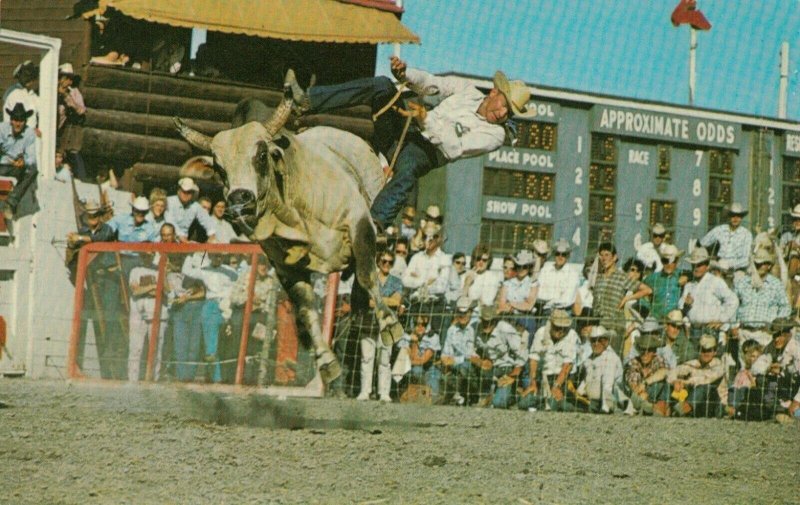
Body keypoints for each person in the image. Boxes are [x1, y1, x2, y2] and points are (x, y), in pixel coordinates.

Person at [287, 57, 530, 229]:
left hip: (426, 152)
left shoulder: (495, 136)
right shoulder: (466, 89)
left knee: (410, 166)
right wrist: (406, 75)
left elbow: (454, 147)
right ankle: (308, 101)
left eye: (509, 113)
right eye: (504, 106)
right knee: (382, 85)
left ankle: (376, 225)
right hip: (408, 128)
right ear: (495, 93)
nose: (502, 114)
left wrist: (425, 120)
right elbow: (433, 83)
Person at [67, 200, 126, 379]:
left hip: (108, 279)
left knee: (109, 317)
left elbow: (99, 240)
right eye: (90, 215)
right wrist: (72, 242)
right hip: (91, 281)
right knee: (87, 317)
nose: (93, 218)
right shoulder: (82, 231)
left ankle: (113, 361)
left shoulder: (106, 229)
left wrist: (80, 240)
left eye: (95, 215)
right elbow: (72, 249)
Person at [225, 255, 282, 385]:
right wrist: (248, 296)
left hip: (259, 315)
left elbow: (270, 304)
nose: (264, 267)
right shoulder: (245, 276)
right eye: (261, 263)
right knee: (236, 346)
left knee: (257, 347)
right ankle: (233, 377)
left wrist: (260, 303)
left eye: (267, 264)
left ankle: (252, 379)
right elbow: (234, 297)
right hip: (242, 312)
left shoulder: (270, 281)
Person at [356, 251, 404, 402]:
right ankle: (365, 391)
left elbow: (396, 301)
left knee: (385, 358)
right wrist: (386, 300)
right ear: (378, 262)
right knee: (367, 357)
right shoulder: (369, 278)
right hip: (369, 321)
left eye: (390, 262)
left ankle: (384, 392)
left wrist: (378, 300)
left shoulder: (396, 281)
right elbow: (367, 302)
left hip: (387, 323)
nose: (387, 264)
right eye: (384, 261)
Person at [183, 253, 238, 383]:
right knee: (211, 346)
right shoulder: (204, 270)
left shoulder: (230, 271)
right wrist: (192, 251)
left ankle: (228, 377)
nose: (217, 258)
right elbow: (186, 270)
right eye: (214, 256)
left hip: (226, 306)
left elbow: (238, 284)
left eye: (219, 256)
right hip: (211, 305)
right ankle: (216, 379)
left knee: (228, 342)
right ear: (210, 257)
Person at [592, 242, 652, 353]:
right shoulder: (599, 277)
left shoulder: (622, 277)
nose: (604, 258)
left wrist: (626, 299)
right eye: (601, 255)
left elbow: (647, 290)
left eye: (607, 255)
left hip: (614, 327)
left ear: (615, 257)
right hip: (599, 324)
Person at [518, 310, 580, 412]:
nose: (560, 331)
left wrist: (557, 386)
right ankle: (543, 400)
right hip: (543, 377)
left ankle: (567, 404)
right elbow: (534, 359)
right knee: (523, 403)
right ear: (551, 324)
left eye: (564, 328)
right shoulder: (541, 332)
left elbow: (567, 365)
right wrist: (533, 382)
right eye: (557, 327)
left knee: (554, 406)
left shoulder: (572, 335)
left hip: (563, 378)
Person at [469, 305, 525, 409]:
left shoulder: (505, 328)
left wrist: (513, 374)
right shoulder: (475, 328)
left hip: (506, 368)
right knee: (467, 367)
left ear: (495, 320)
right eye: (484, 321)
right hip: (487, 369)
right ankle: (482, 395)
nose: (487, 325)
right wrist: (479, 361)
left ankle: (514, 393)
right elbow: (470, 351)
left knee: (499, 403)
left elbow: (522, 351)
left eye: (490, 321)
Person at [734, 248, 791, 348]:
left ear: (769, 266)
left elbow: (785, 307)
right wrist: (733, 326)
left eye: (762, 263)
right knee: (744, 362)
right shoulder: (742, 282)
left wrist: (776, 323)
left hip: (765, 334)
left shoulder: (776, 284)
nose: (759, 266)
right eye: (756, 264)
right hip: (743, 332)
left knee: (762, 362)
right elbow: (733, 304)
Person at [679, 247, 739, 342]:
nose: (696, 268)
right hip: (693, 330)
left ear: (707, 266)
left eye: (699, 265)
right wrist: (686, 304)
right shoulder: (689, 285)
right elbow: (681, 307)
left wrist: (722, 319)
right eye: (693, 265)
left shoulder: (715, 282)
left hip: (711, 331)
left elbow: (733, 300)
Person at [127, 251, 168, 382]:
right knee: (135, 348)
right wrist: (154, 286)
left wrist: (152, 289)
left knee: (156, 348)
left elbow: (164, 290)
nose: (146, 257)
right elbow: (136, 290)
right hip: (137, 313)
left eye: (149, 255)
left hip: (157, 313)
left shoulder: (160, 270)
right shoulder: (135, 270)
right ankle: (132, 380)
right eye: (143, 255)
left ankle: (154, 379)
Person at [751, 318, 800, 422]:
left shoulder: (797, 350)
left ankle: (787, 414)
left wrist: (797, 401)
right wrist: (769, 367)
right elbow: (755, 368)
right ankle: (777, 411)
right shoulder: (771, 347)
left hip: (797, 391)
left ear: (788, 334)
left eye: (780, 335)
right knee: (761, 379)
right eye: (775, 335)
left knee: (796, 413)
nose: (777, 339)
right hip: (781, 391)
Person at [668, 334, 725, 417]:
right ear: (699, 350)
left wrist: (685, 382)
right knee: (671, 385)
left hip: (715, 405)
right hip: (696, 403)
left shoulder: (719, 366)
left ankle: (679, 412)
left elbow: (706, 379)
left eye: (709, 350)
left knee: (704, 388)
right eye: (703, 350)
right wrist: (674, 381)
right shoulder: (693, 363)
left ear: (715, 352)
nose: (705, 353)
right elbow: (673, 371)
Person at [0, 103, 38, 219]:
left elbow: (32, 158)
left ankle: (11, 202)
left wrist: (24, 162)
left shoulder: (29, 133)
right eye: (15, 120)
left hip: (14, 167)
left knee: (32, 170)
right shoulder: (1, 129)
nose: (18, 123)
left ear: (25, 122)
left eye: (21, 120)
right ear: (11, 120)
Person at [576, 326, 624, 414]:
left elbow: (608, 385)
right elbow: (586, 379)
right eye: (593, 340)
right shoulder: (590, 358)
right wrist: (578, 394)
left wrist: (605, 408)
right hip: (590, 401)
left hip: (608, 402)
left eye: (599, 340)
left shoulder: (610, 357)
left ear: (606, 341)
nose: (596, 343)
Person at [439, 297, 476, 405]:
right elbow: (445, 356)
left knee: (464, 367)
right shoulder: (452, 330)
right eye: (459, 312)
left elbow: (472, 357)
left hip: (471, 367)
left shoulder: (474, 328)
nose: (462, 316)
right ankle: (458, 396)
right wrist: (457, 360)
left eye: (465, 313)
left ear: (471, 312)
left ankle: (472, 395)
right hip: (455, 367)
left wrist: (455, 360)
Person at [624, 333, 671, 416]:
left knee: (664, 384)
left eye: (648, 351)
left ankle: (655, 408)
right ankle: (650, 408)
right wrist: (641, 391)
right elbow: (634, 387)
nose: (645, 354)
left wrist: (645, 383)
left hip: (654, 396)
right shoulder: (633, 362)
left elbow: (665, 372)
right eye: (642, 350)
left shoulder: (658, 360)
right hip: (638, 397)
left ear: (654, 352)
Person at [397, 314, 442, 401]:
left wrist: (411, 357)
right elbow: (405, 359)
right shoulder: (405, 337)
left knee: (433, 395)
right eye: (417, 324)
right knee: (416, 371)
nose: (420, 327)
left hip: (430, 368)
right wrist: (413, 341)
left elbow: (423, 360)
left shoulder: (433, 337)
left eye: (424, 324)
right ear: (412, 324)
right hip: (411, 370)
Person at [699, 203, 753, 272]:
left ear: (741, 217)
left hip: (736, 270)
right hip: (718, 266)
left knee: (739, 279)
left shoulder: (746, 234)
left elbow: (745, 259)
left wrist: (730, 265)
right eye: (732, 215)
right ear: (729, 216)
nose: (735, 218)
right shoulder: (720, 229)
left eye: (738, 216)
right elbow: (703, 242)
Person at [497, 249, 538, 338]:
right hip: (509, 316)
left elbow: (528, 306)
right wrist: (519, 305)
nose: (521, 269)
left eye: (525, 266)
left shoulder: (533, 284)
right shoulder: (507, 283)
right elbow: (502, 305)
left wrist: (511, 303)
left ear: (529, 267)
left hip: (525, 318)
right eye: (519, 266)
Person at [164, 177, 217, 242]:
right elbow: (170, 221)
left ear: (192, 193)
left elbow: (206, 219)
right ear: (179, 191)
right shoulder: (169, 201)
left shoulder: (195, 206)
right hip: (167, 240)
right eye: (184, 191)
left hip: (184, 241)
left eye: (189, 192)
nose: (186, 194)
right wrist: (182, 238)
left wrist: (212, 235)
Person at [536, 239, 581, 315]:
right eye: (557, 253)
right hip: (544, 311)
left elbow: (567, 299)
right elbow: (539, 294)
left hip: (564, 312)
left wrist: (549, 299)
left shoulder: (573, 274)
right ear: (554, 254)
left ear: (568, 256)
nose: (560, 257)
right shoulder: (546, 269)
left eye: (563, 254)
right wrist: (557, 296)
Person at [642, 244, 683, 321]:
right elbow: (640, 292)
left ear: (677, 261)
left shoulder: (681, 276)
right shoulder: (652, 278)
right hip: (656, 320)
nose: (668, 264)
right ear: (662, 261)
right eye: (665, 261)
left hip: (674, 323)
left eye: (672, 261)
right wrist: (648, 310)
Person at [3, 61, 39, 129]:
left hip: (30, 135)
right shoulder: (14, 92)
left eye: (31, 76)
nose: (29, 80)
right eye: (25, 76)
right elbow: (16, 119)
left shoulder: (33, 95)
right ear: (19, 77)